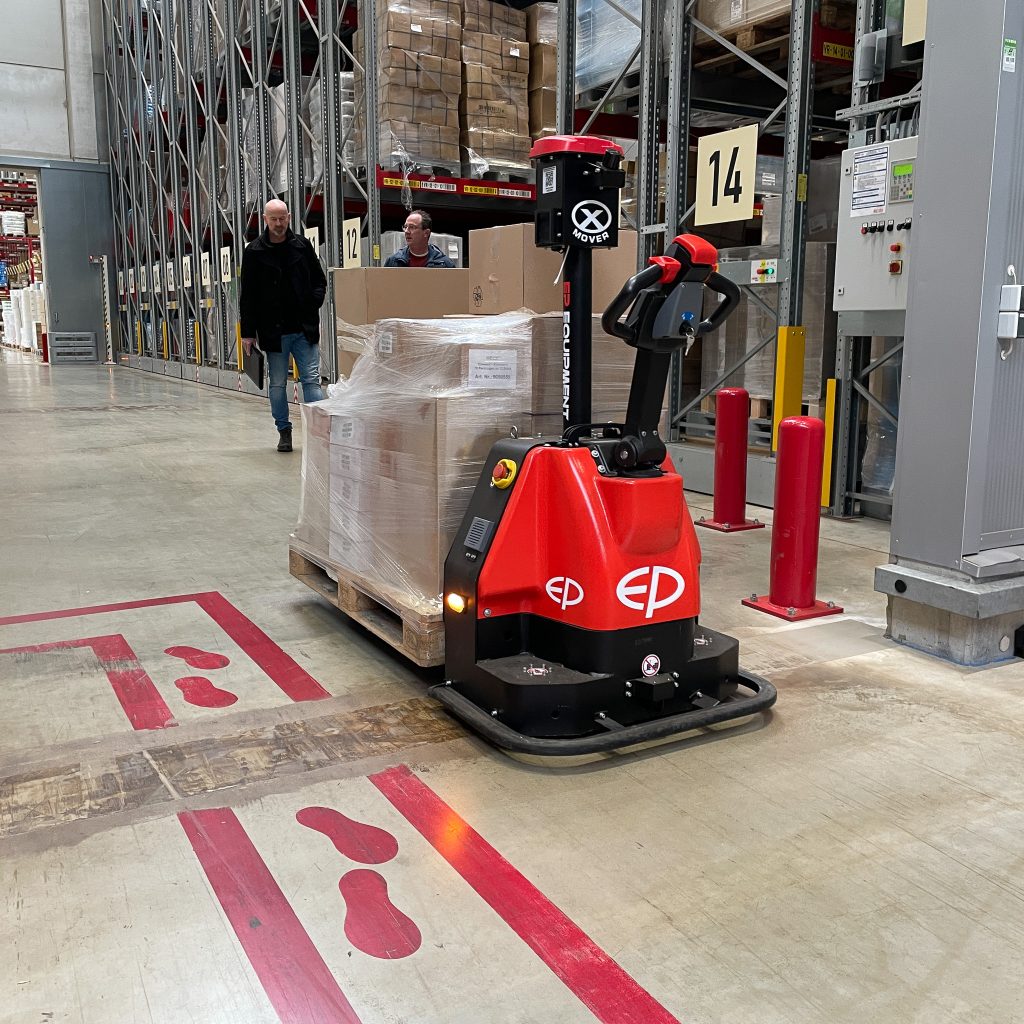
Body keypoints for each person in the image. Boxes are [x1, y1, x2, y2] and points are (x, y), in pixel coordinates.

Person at [240, 199, 328, 452]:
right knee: (277, 383)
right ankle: (284, 430)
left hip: (303, 328)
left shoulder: (302, 245)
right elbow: (248, 296)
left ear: (289, 217)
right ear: (264, 219)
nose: (278, 224)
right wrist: (248, 333)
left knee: (311, 380)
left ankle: (317, 432)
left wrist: (312, 303)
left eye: (282, 218)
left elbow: (319, 280)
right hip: (273, 330)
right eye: (273, 219)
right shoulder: (254, 251)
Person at [383, 209, 456, 268]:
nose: (406, 231)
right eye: (405, 227)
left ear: (426, 233)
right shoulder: (393, 262)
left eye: (412, 227)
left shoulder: (445, 265)